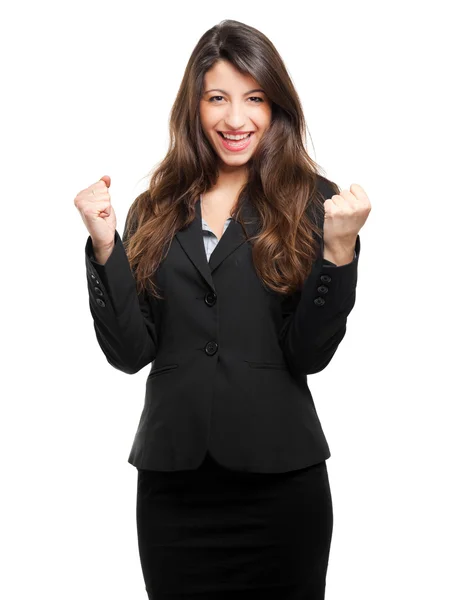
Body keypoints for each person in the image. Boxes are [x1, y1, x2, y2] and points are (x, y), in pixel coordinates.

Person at [74, 18, 371, 600]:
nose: (237, 119)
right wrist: (105, 244)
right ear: (196, 106)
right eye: (218, 98)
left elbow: (308, 354)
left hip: (281, 484)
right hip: (174, 489)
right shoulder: (155, 207)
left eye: (254, 98)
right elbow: (130, 353)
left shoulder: (314, 200)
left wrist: (338, 253)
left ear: (276, 105)